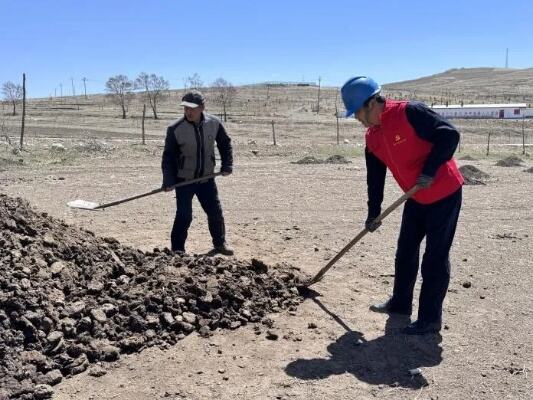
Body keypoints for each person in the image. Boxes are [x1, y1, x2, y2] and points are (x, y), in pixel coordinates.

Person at [341, 76, 464, 335]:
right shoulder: (372, 138)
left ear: (373, 102)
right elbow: (375, 179)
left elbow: (449, 135)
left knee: (435, 257)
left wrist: (430, 170)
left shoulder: (410, 112)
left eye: (359, 113)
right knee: (405, 251)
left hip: (444, 192)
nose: (358, 120)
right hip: (415, 197)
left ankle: (430, 319)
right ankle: (400, 304)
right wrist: (373, 213)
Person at [161, 90, 234, 255]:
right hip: (184, 180)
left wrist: (227, 164)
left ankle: (220, 244)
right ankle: (178, 250)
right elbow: (168, 157)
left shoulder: (214, 123)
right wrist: (168, 180)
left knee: (215, 212)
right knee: (184, 216)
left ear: (202, 107)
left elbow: (225, 143)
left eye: (192, 108)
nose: (188, 112)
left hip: (206, 179)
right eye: (185, 108)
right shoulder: (175, 129)